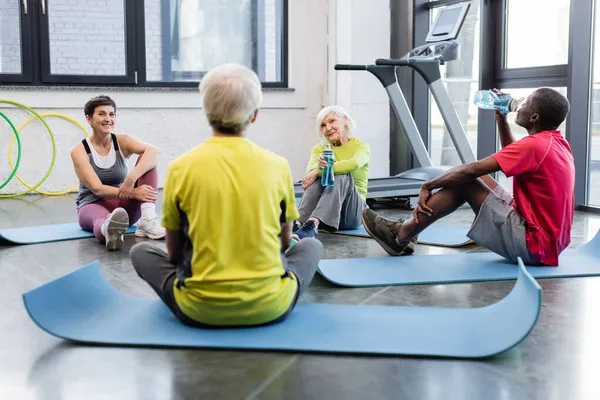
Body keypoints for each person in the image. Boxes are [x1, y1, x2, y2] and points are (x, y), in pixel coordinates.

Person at [129, 64, 323, 328]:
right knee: (311, 246)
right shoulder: (278, 165)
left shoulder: (180, 168)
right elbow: (285, 241)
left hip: (197, 310)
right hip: (271, 306)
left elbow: (174, 253)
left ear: (207, 113)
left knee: (141, 251)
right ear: (254, 115)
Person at [361, 87, 574, 266]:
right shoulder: (555, 143)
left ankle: (400, 236)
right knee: (482, 179)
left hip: (534, 245)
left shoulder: (534, 145)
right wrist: (502, 120)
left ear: (535, 117)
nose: (519, 103)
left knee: (467, 181)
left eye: (525, 102)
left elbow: (472, 169)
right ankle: (409, 230)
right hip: (551, 243)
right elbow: (515, 155)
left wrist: (429, 184)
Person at [71, 95, 165, 251]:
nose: (108, 118)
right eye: (102, 114)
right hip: (92, 203)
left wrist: (132, 176)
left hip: (123, 204)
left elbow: (154, 151)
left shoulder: (122, 141)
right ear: (89, 119)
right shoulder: (79, 151)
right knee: (101, 221)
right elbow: (97, 189)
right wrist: (134, 193)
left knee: (147, 160)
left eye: (111, 114)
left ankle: (147, 220)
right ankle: (109, 231)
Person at [294, 105, 370, 239]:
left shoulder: (361, 146)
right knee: (318, 177)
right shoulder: (319, 148)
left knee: (342, 174)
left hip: (351, 213)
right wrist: (317, 168)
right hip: (326, 215)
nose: (328, 128)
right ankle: (298, 222)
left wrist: (321, 170)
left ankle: (312, 223)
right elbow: (310, 173)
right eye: (323, 125)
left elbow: (354, 163)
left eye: (332, 121)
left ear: (345, 120)